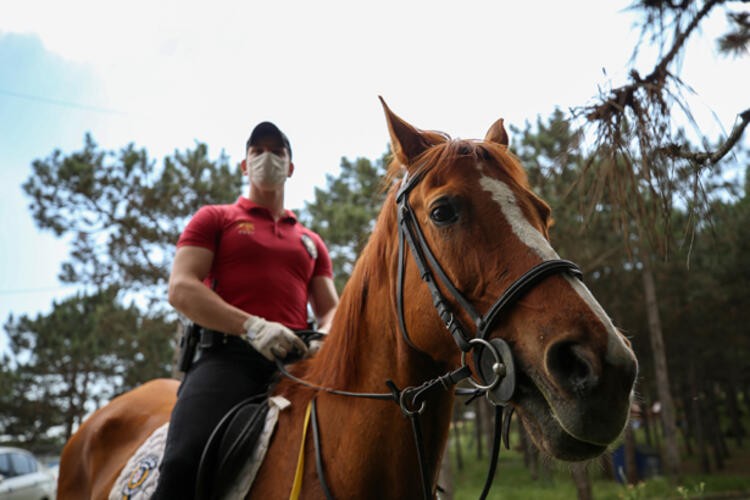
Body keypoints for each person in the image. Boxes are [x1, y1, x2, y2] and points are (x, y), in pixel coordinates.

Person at [151, 121, 339, 499]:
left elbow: (330, 309)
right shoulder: (215, 219)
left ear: (290, 167)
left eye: (277, 151)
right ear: (244, 165)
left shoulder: (310, 241)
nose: (266, 158)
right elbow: (182, 287)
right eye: (257, 151)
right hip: (228, 359)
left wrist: (326, 338)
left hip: (299, 364)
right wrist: (252, 326)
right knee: (183, 463)